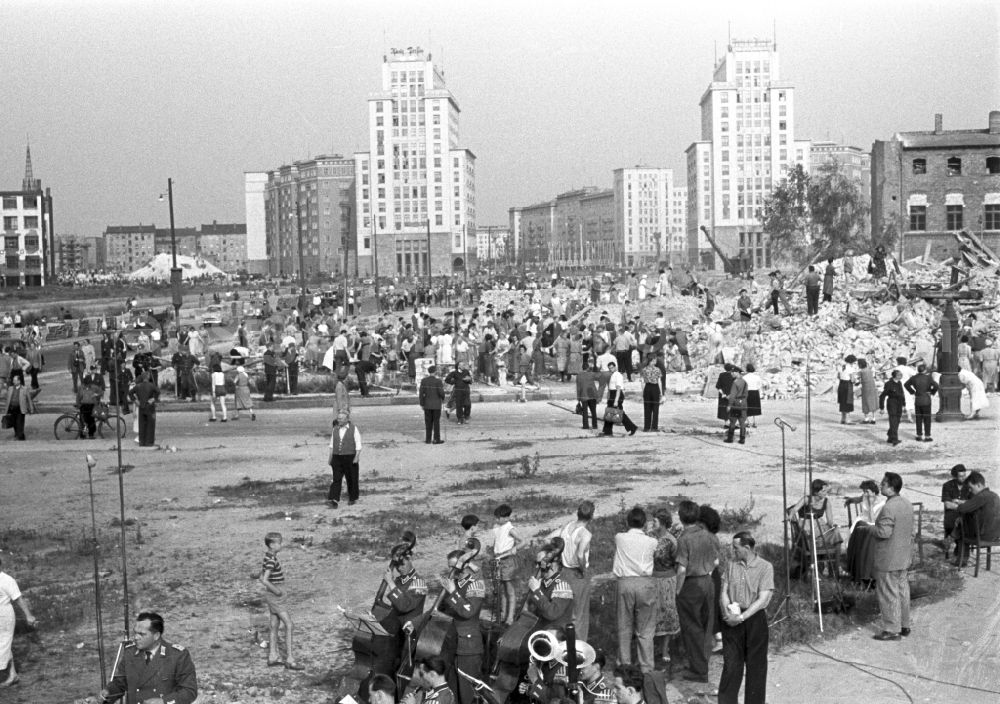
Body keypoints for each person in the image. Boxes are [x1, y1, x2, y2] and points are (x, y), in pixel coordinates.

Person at [718, 531, 773, 704]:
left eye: (736, 548)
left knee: (756, 666)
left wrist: (742, 617)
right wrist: (727, 612)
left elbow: (763, 599)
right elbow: (724, 591)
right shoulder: (731, 564)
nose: (733, 552)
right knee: (731, 664)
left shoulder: (765, 567)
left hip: (754, 618)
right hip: (732, 616)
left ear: (747, 548)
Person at [98, 611, 198, 704]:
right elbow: (120, 684)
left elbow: (189, 691)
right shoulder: (130, 653)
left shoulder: (177, 655)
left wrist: (164, 701)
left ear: (156, 636)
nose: (136, 637)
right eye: (135, 633)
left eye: (141, 634)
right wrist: (107, 693)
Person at [674, 500, 718, 684]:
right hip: (708, 582)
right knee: (706, 626)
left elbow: (682, 569)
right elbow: (716, 561)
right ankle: (703, 662)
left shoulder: (684, 539)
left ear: (681, 517)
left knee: (692, 628)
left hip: (691, 585)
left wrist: (677, 590)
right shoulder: (708, 535)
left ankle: (699, 670)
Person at [613, 506, 658, 674]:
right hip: (645, 583)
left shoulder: (620, 538)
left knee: (624, 626)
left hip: (625, 582)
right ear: (645, 524)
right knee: (645, 629)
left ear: (627, 522)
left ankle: (624, 665)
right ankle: (646, 667)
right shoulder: (652, 541)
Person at [871, 472, 913, 641]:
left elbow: (884, 532)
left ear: (890, 487)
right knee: (903, 591)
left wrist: (869, 529)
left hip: (889, 558)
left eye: (883, 484)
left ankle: (891, 629)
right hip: (903, 556)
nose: (880, 486)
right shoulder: (906, 503)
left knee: (888, 593)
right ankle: (904, 625)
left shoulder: (889, 507)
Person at [440, 549, 485, 704]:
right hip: (451, 643)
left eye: (454, 567)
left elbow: (468, 612)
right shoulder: (454, 584)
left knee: (467, 695)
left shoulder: (475, 585)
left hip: (468, 646)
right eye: (449, 567)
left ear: (464, 565)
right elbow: (439, 611)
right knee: (451, 691)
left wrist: (453, 593)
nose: (452, 571)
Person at [258, 532, 305, 670]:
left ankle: (273, 656)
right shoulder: (272, 560)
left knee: (274, 624)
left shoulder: (268, 557)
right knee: (289, 624)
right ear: (272, 545)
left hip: (272, 595)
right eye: (279, 543)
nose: (281, 545)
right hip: (276, 595)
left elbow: (261, 576)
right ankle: (290, 659)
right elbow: (265, 579)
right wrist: (277, 591)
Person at [549, 500, 594, 640]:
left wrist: (556, 555)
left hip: (563, 572)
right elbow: (580, 555)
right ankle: (579, 650)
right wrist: (583, 568)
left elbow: (548, 539)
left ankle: (560, 646)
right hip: (577, 573)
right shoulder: (585, 534)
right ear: (591, 516)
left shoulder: (567, 527)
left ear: (577, 513)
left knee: (564, 612)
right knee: (579, 615)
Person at [787, 479, 841, 576]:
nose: (826, 493)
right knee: (809, 536)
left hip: (820, 525)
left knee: (836, 533)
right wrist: (790, 516)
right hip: (807, 525)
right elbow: (794, 509)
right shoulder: (807, 499)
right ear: (816, 492)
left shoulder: (826, 502)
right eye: (823, 491)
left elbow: (830, 521)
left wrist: (833, 526)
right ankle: (817, 566)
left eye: (826, 491)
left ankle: (835, 569)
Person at [648, 507, 679, 673]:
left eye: (655, 521)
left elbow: (676, 561)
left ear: (663, 523)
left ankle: (665, 648)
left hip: (667, 580)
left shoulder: (671, 541)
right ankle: (652, 647)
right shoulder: (649, 537)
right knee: (652, 613)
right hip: (652, 579)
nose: (652, 523)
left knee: (668, 613)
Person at [1, 557, 37, 688]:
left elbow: (18, 599)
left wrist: (28, 615)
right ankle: (13, 674)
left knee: (3, 644)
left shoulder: (7, 580)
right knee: (4, 645)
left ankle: (11, 674)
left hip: (4, 616)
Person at [953, 471, 1000, 567]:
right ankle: (951, 538)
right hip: (996, 535)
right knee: (964, 519)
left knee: (962, 528)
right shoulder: (994, 495)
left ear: (978, 485)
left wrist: (960, 504)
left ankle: (961, 561)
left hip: (983, 536)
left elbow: (962, 508)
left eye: (971, 488)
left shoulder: (981, 496)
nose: (970, 490)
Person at [843, 480, 886, 583]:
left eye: (867, 491)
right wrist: (850, 500)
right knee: (850, 538)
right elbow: (858, 499)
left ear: (874, 491)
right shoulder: (864, 497)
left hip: (872, 523)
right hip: (861, 520)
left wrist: (871, 504)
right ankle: (854, 564)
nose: (865, 493)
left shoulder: (881, 503)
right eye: (864, 491)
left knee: (866, 534)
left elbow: (872, 519)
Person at [525, 542, 574, 631]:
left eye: (540, 563)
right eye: (536, 563)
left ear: (551, 565)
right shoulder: (543, 582)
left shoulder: (562, 585)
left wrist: (537, 592)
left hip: (557, 634)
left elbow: (552, 613)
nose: (537, 566)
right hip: (542, 630)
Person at [490, 504, 523, 625]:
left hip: (507, 560)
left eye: (498, 518)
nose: (496, 520)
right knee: (500, 590)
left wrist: (513, 549)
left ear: (505, 518)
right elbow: (497, 542)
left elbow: (523, 541)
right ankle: (502, 615)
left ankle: (510, 617)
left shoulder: (510, 528)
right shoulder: (496, 527)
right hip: (498, 559)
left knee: (510, 590)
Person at [328, 410, 362, 509]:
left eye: (341, 419)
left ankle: (352, 497)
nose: (339, 420)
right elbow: (331, 445)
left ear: (347, 419)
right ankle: (334, 499)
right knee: (336, 478)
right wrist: (330, 458)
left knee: (351, 478)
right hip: (337, 457)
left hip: (350, 456)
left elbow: (358, 445)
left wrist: (356, 457)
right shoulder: (335, 429)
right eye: (338, 418)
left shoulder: (354, 429)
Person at [941, 464, 971, 559]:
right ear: (954, 476)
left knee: (964, 523)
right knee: (954, 523)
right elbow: (948, 505)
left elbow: (972, 502)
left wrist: (958, 501)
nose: (963, 478)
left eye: (964, 475)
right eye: (961, 476)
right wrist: (964, 505)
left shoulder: (969, 485)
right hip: (951, 515)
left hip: (965, 515)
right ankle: (959, 550)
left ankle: (958, 549)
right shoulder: (947, 486)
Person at [904, 363, 939, 442]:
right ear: (925, 370)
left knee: (918, 418)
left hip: (918, 399)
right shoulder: (928, 378)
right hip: (926, 399)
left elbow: (906, 384)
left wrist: (912, 392)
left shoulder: (914, 378)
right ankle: (927, 436)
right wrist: (932, 392)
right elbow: (936, 386)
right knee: (927, 419)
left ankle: (919, 435)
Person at [601, 361, 638, 437]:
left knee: (618, 413)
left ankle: (632, 427)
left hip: (616, 395)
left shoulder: (618, 375)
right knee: (610, 412)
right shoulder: (613, 375)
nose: (611, 369)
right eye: (609, 368)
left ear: (615, 367)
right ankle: (607, 431)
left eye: (612, 367)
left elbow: (618, 388)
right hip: (612, 394)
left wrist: (616, 400)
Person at [128, 371, 160, 447]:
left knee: (142, 425)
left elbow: (130, 393)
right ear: (148, 377)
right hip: (149, 406)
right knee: (150, 424)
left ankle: (142, 441)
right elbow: (158, 391)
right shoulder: (151, 385)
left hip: (141, 406)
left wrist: (135, 401)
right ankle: (149, 442)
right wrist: (153, 399)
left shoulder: (138, 386)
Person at [419, 365, 446, 444]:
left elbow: (421, 393)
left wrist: (422, 403)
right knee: (436, 422)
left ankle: (428, 439)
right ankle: (436, 439)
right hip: (436, 405)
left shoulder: (424, 381)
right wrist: (443, 397)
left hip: (427, 404)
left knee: (428, 422)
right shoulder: (438, 381)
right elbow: (441, 392)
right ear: (435, 372)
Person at [4, 374, 35, 441]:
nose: (13, 381)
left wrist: (31, 409)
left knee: (20, 422)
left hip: (20, 408)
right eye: (13, 380)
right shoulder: (10, 388)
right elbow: (7, 399)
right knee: (14, 422)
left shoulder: (24, 389)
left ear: (19, 381)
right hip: (12, 408)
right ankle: (18, 434)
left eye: (15, 380)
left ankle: (20, 436)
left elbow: (29, 400)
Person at [879, 369, 906, 446]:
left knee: (897, 421)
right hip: (892, 403)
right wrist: (881, 408)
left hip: (899, 404)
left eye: (901, 374)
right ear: (894, 376)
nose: (901, 376)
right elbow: (882, 396)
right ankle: (894, 439)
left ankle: (890, 436)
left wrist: (904, 405)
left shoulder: (900, 383)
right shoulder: (888, 384)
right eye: (899, 375)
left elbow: (902, 394)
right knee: (893, 421)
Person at [725, 366, 748, 444]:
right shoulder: (744, 382)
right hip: (743, 403)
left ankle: (730, 438)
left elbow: (732, 395)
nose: (732, 374)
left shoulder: (735, 382)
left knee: (732, 421)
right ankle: (742, 439)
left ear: (737, 372)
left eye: (733, 372)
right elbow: (746, 394)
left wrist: (729, 405)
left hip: (735, 403)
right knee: (742, 422)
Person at [640, 354, 662, 432]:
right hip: (655, 388)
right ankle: (654, 427)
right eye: (654, 360)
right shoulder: (657, 369)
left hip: (647, 388)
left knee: (647, 408)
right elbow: (659, 381)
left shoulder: (644, 369)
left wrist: (643, 392)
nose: (655, 362)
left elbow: (642, 382)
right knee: (655, 408)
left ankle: (646, 427)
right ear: (651, 361)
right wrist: (661, 392)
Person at [576, 358, 599, 431]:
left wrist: (578, 398)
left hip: (583, 395)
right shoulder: (592, 374)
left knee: (585, 412)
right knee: (593, 411)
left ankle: (585, 426)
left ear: (582, 368)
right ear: (588, 367)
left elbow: (578, 387)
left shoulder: (579, 375)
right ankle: (595, 425)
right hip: (592, 394)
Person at [76, 373, 102, 439]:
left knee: (91, 420)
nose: (87, 384)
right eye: (86, 383)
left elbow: (101, 392)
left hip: (91, 405)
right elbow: (78, 397)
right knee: (83, 420)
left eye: (88, 383)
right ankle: (83, 434)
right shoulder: (81, 387)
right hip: (84, 405)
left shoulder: (94, 387)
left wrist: (96, 395)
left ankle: (91, 434)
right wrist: (78, 405)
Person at [837, 355, 858, 424]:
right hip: (848, 385)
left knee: (842, 401)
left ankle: (843, 419)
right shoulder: (850, 368)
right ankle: (847, 419)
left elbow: (838, 376)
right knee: (848, 401)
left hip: (841, 384)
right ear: (852, 362)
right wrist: (856, 381)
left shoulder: (842, 366)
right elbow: (852, 380)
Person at [857, 359, 878, 424]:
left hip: (866, 388)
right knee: (873, 402)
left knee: (865, 402)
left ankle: (866, 418)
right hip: (872, 387)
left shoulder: (861, 371)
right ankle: (874, 418)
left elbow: (856, 379)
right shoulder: (869, 370)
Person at [743, 363, 763, 428]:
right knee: (754, 407)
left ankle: (748, 423)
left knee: (748, 407)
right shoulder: (757, 377)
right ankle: (754, 422)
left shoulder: (744, 377)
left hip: (747, 392)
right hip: (755, 392)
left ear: (747, 369)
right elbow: (760, 385)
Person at [715, 364, 734, 429]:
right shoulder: (734, 375)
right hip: (732, 394)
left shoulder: (721, 375)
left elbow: (718, 386)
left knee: (724, 409)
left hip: (723, 395)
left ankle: (726, 424)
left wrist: (724, 394)